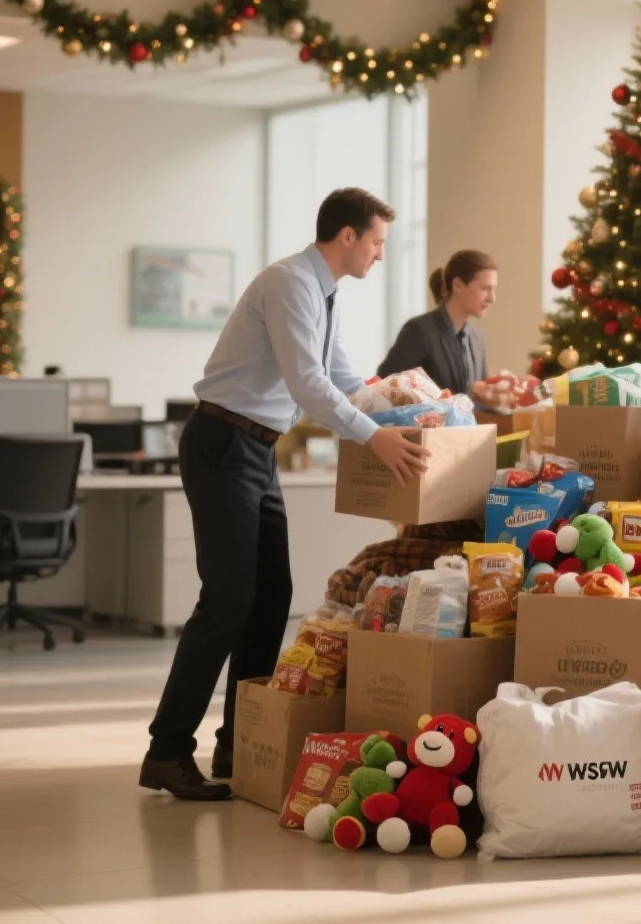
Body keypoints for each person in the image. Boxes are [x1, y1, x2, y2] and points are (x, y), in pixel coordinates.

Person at [139, 188, 431, 801]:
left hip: (256, 448)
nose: (380, 254)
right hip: (224, 442)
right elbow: (310, 384)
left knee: (271, 597)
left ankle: (240, 740)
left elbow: (344, 377)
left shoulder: (323, 292)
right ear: (347, 236)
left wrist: (408, 400)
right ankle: (166, 750)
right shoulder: (290, 283)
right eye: (377, 241)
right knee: (228, 599)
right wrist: (375, 437)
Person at [377, 249, 496, 396]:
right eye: (485, 288)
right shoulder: (419, 331)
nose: (492, 298)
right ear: (458, 285)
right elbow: (384, 386)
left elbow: (476, 402)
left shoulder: (477, 339)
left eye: (493, 289)